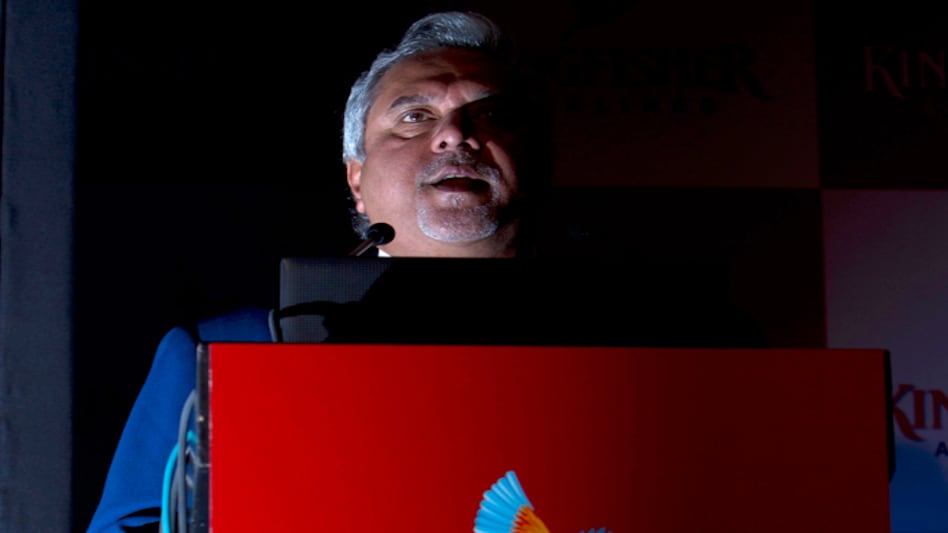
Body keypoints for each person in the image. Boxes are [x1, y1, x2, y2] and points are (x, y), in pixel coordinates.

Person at [86, 11, 553, 532]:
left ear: (538, 161)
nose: (454, 135)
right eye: (414, 117)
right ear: (357, 178)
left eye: (490, 115)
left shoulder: (641, 346)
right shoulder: (225, 353)